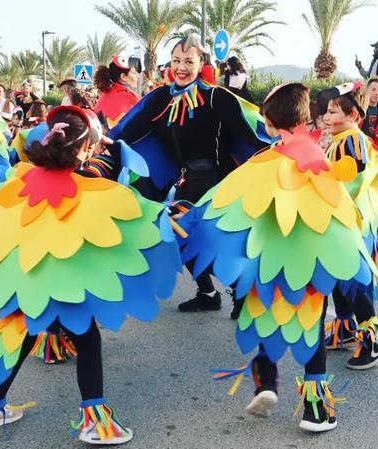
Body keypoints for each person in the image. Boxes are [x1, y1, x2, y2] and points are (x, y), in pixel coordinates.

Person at [0, 105, 181, 442]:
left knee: (23, 331)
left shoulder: (19, 178)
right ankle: (95, 421)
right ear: (86, 149)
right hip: (64, 282)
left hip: (24, 279)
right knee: (86, 335)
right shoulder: (92, 190)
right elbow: (139, 215)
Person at [181, 83, 376, 432]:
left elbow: (225, 203)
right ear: (304, 116)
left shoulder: (265, 161)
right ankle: (316, 410)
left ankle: (266, 384)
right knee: (311, 329)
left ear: (268, 122)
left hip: (267, 261)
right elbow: (341, 212)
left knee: (263, 322)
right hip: (312, 262)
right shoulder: (318, 156)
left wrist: (185, 219)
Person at [111, 34, 271, 314]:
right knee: (179, 234)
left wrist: (278, 153)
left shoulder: (216, 98)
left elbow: (249, 134)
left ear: (202, 63)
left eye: (188, 61)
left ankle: (238, 289)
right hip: (182, 180)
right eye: (176, 61)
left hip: (217, 180)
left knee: (203, 238)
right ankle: (210, 292)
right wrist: (104, 144)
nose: (181, 67)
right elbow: (130, 132)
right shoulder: (161, 97)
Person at [316, 82, 378, 369]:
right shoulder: (341, 138)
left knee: (351, 279)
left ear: (354, 116)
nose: (327, 116)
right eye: (326, 111)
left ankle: (376, 338)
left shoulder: (351, 139)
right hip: (340, 220)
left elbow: (351, 174)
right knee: (339, 278)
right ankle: (346, 328)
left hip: (349, 223)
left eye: (334, 111)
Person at [93, 55, 140, 129]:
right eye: (134, 73)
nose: (137, 77)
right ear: (123, 77)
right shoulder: (128, 97)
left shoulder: (107, 93)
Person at [360, 79, 378, 149]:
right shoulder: (358, 108)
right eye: (373, 89)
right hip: (358, 148)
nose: (377, 93)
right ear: (367, 91)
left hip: (374, 151)